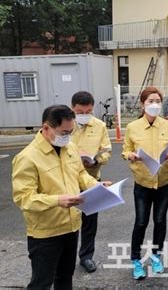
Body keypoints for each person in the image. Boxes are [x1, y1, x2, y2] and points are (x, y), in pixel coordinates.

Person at [12, 105, 99, 289]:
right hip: (46, 233)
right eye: (63, 132)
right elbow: (23, 198)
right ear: (46, 128)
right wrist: (57, 200)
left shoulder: (70, 147)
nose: (67, 136)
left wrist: (96, 186)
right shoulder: (27, 157)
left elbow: (80, 174)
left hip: (71, 227)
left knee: (65, 277)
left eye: (71, 131)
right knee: (41, 282)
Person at [122, 87, 168, 280]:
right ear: (142, 104)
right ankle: (136, 260)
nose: (154, 105)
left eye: (157, 101)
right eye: (150, 101)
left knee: (160, 220)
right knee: (140, 221)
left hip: (164, 181)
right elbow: (126, 150)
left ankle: (156, 256)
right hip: (143, 182)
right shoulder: (133, 127)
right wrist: (130, 155)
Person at [71, 91, 112, 273]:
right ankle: (66, 257)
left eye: (87, 111)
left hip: (93, 179)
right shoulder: (66, 124)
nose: (83, 115)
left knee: (90, 223)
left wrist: (96, 160)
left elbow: (107, 150)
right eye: (79, 112)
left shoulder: (100, 126)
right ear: (73, 108)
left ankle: (86, 257)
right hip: (68, 181)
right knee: (69, 222)